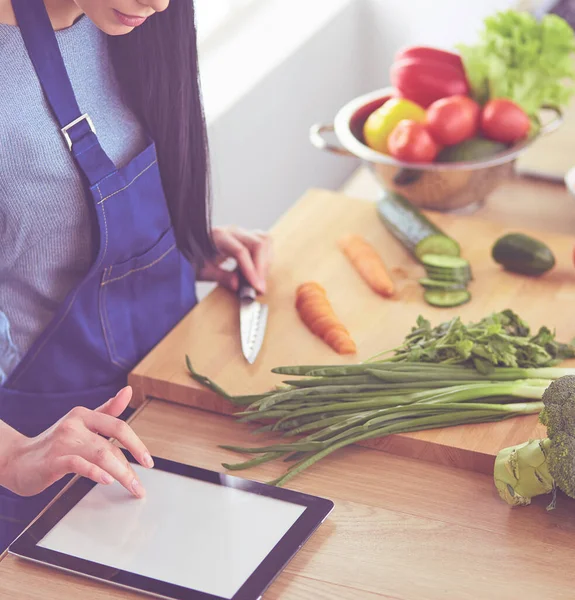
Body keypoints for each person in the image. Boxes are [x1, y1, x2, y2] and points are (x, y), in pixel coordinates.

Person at [0, 0, 272, 552]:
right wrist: (14, 455)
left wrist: (177, 241)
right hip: (51, 445)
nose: (160, 2)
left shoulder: (123, 21)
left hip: (171, 397)